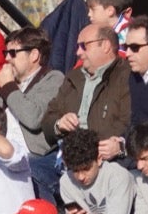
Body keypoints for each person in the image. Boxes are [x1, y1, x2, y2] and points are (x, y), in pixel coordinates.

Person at [0, 26, 67, 198]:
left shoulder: (53, 79)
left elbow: (33, 118)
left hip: (35, 156)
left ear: (34, 55)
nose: (6, 59)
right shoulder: (8, 83)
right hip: (2, 153)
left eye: (13, 53)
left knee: (24, 172)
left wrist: (8, 87)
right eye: (6, 53)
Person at [43, 26, 132, 160]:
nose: (78, 52)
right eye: (77, 46)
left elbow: (127, 122)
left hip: (101, 159)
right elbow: (48, 117)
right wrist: (59, 124)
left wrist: (117, 147)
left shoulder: (126, 77)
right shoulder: (73, 77)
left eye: (84, 46)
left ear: (106, 46)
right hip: (65, 154)